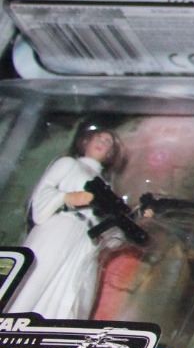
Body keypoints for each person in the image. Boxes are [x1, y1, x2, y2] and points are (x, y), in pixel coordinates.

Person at [6, 125, 124, 320]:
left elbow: (112, 236)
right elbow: (43, 191)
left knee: (71, 295)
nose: (102, 142)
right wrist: (66, 198)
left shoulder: (107, 187)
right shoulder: (69, 163)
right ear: (86, 141)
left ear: (111, 153)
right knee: (36, 281)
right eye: (99, 138)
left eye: (108, 142)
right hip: (60, 228)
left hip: (86, 242)